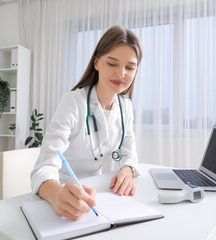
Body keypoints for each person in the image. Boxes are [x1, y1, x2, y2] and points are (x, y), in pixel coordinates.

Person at [31, 25, 143, 221]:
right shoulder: (73, 102)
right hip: (62, 191)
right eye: (112, 64)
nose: (121, 74)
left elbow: (129, 153)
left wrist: (127, 169)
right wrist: (57, 194)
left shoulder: (125, 106)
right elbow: (43, 168)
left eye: (130, 67)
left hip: (96, 193)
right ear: (97, 62)